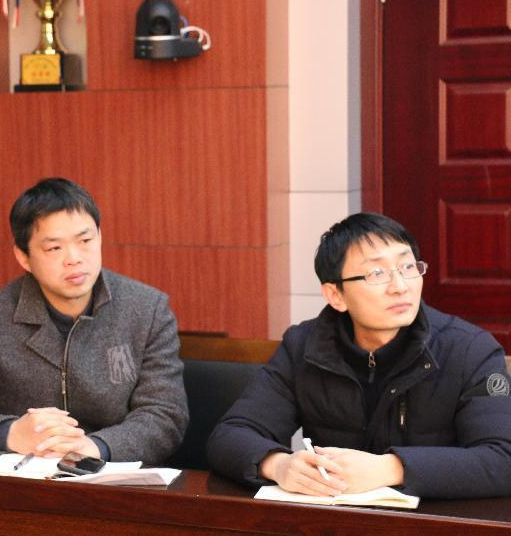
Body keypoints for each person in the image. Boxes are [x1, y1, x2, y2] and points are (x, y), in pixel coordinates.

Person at [206, 212, 511, 499]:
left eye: (408, 267)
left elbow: (503, 458)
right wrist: (278, 465)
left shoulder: (470, 349)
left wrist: (390, 468)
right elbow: (229, 436)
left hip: (436, 521)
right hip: (334, 522)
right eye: (376, 273)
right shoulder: (303, 346)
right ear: (335, 295)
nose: (400, 286)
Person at [0, 178, 188, 463]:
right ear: (23, 257)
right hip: (22, 478)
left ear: (100, 236)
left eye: (85, 241)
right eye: (54, 248)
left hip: (114, 476)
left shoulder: (147, 310)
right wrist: (9, 433)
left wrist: (94, 448)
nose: (74, 258)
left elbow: (165, 415)